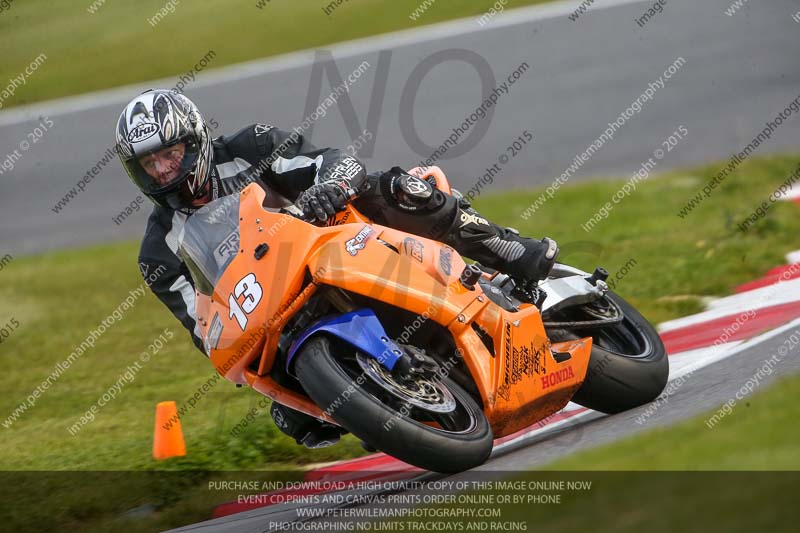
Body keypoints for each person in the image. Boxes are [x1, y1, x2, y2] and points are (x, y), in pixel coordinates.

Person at [116, 89, 558, 448]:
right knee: (291, 414)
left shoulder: (252, 146)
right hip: (277, 312)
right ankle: (375, 401)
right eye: (149, 164)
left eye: (169, 154)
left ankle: (505, 247)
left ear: (194, 142)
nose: (163, 171)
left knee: (395, 188)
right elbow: (205, 329)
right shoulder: (158, 254)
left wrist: (331, 187)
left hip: (340, 240)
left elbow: (336, 162)